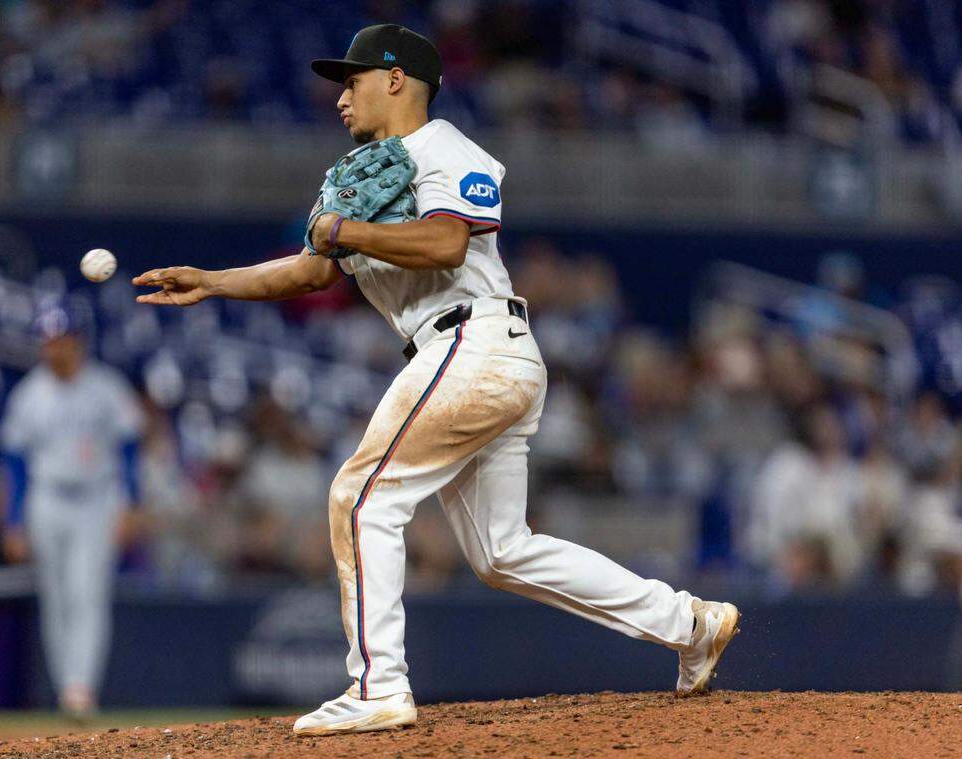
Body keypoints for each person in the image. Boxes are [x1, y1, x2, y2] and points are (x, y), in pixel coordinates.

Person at [133, 24, 740, 736]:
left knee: (361, 496)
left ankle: (379, 686)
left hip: (473, 342)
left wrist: (346, 232)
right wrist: (212, 282)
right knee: (502, 551)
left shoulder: (444, 147)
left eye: (353, 80)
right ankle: (689, 623)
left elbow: (449, 241)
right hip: (476, 358)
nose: (341, 97)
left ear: (396, 79)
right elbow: (311, 271)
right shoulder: (364, 172)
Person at [0, 307, 143, 720]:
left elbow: (129, 448)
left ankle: (81, 688)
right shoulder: (29, 394)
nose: (54, 349)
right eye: (48, 341)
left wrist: (131, 503)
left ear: (78, 342)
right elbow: (15, 463)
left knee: (87, 592)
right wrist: (13, 521)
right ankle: (66, 686)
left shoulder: (106, 388)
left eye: (61, 341)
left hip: (97, 498)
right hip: (47, 497)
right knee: (56, 597)